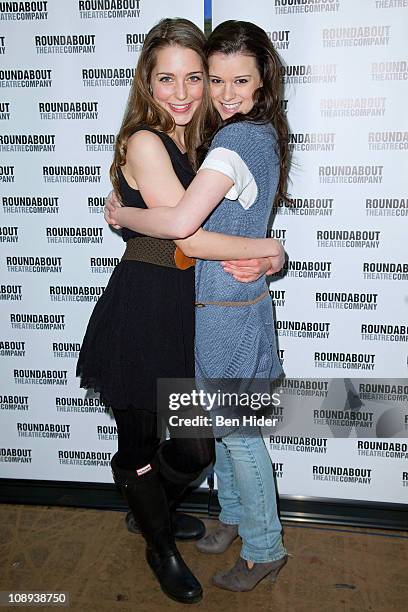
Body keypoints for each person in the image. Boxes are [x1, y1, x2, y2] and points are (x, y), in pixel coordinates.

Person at [78, 18, 284, 604]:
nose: (183, 92)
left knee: (195, 444)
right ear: (146, 81)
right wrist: (269, 249)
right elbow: (185, 236)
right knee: (143, 442)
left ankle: (149, 513)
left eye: (196, 77)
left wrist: (272, 254)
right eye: (166, 78)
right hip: (145, 308)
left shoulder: (204, 139)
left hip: (187, 309)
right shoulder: (147, 139)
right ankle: (159, 544)